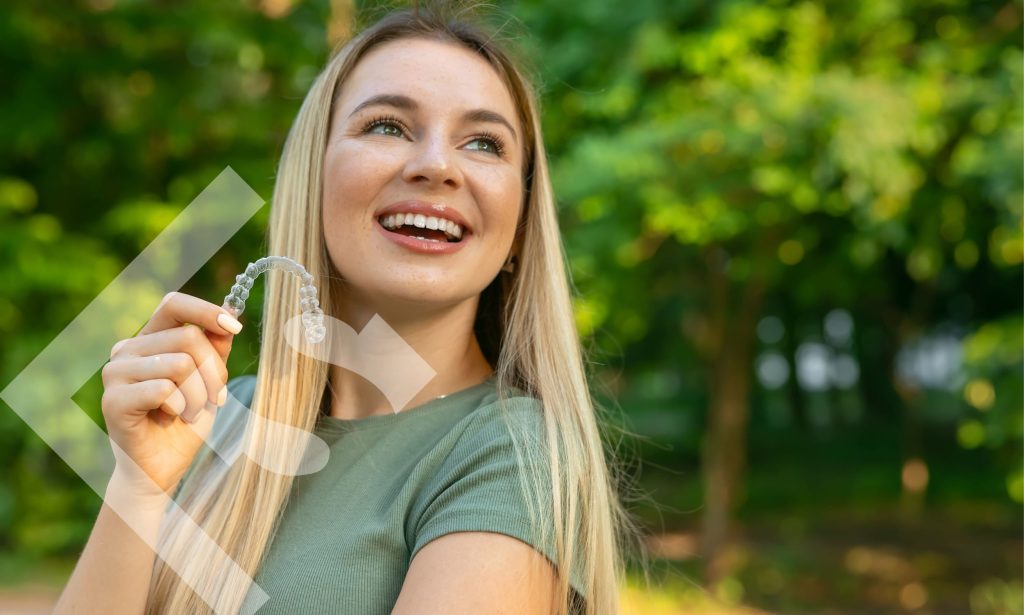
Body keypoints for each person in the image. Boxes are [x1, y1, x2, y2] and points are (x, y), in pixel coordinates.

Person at [55, 4, 638, 614]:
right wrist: (138, 485)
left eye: (484, 142)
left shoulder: (510, 453)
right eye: (388, 126)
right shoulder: (215, 413)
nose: (437, 165)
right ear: (315, 177)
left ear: (518, 229)